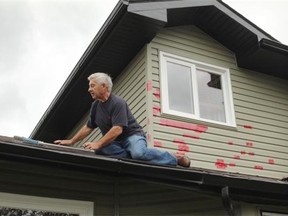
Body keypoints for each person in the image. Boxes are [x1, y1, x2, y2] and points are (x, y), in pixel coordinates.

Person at [54, 72, 190, 167]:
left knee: (138, 153)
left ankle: (175, 157)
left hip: (132, 136)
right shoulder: (95, 106)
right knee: (100, 150)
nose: (89, 89)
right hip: (116, 143)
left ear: (104, 86)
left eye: (92, 85)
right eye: (89, 86)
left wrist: (99, 143)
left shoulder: (118, 102)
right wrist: (71, 141)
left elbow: (118, 129)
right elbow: (88, 127)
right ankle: (130, 155)